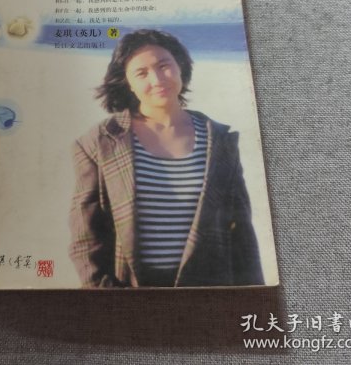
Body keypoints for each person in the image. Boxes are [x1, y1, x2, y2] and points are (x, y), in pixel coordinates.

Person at [69, 29, 263, 288]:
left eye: (164, 66)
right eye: (141, 73)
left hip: (209, 291)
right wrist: (106, 298)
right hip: (131, 293)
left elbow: (242, 233)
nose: (157, 79)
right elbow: (86, 238)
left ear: (181, 66)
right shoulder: (99, 142)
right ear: (128, 83)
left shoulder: (219, 140)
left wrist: (253, 294)